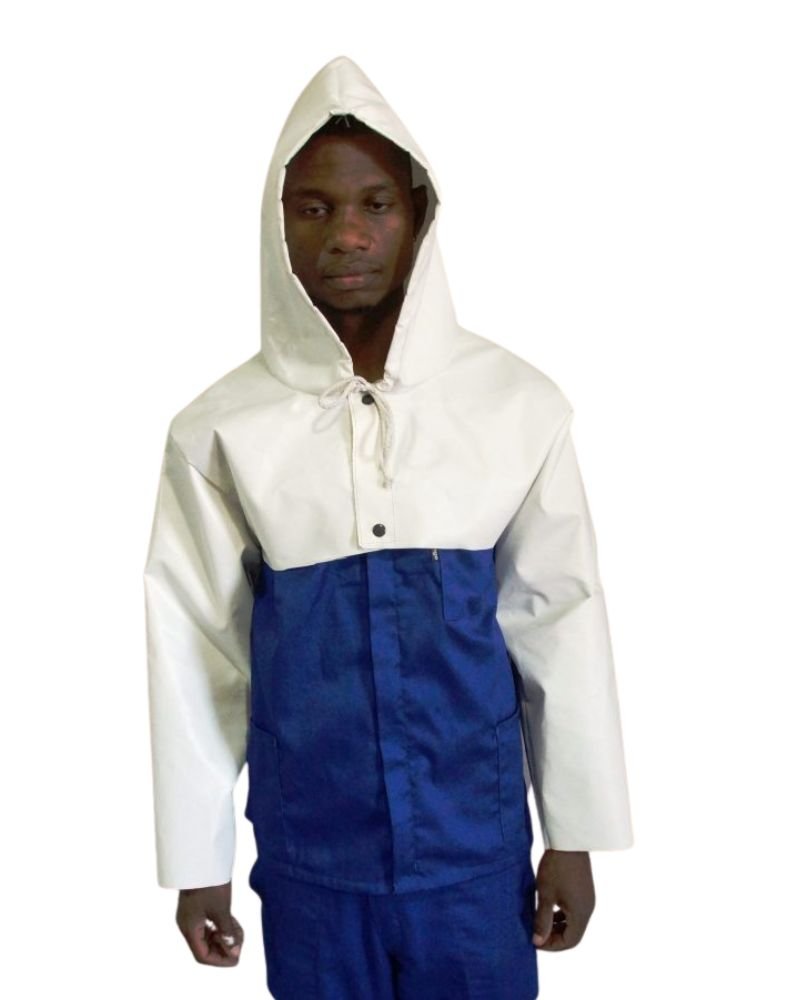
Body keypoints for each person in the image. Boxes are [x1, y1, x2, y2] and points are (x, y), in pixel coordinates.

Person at [143, 55, 634, 998]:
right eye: (314, 208)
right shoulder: (220, 430)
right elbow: (197, 651)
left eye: (376, 204)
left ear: (418, 218)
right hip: (310, 865)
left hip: (477, 861)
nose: (348, 234)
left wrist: (573, 836)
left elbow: (559, 621)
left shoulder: (515, 407)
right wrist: (197, 860)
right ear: (277, 226)